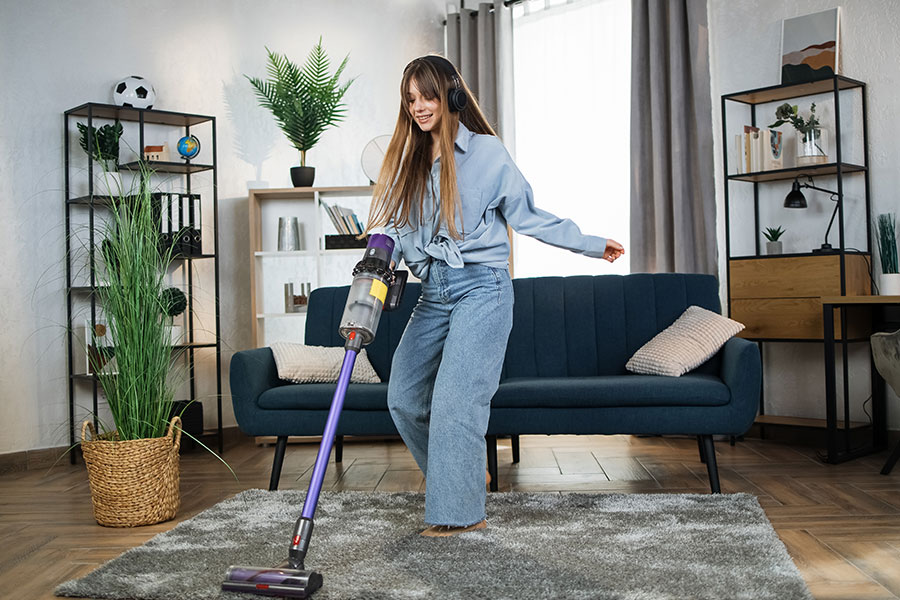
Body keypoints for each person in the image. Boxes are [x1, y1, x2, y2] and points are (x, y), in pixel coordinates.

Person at [364, 55, 624, 537]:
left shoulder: (487, 153)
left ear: (452, 96)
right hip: (432, 293)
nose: (419, 107)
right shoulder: (408, 159)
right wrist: (379, 250)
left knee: (456, 402)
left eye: (427, 95)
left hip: (482, 287)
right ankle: (461, 476)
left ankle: (460, 518)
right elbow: (397, 227)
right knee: (402, 397)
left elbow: (529, 215)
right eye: (411, 99)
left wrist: (589, 243)